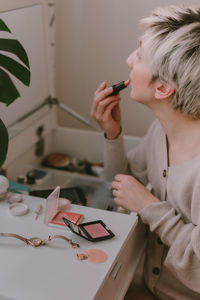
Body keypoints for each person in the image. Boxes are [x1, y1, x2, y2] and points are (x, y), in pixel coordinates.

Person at [90, 4, 200, 300]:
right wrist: (113, 135)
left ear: (163, 88)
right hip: (153, 288)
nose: (129, 59)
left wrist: (150, 206)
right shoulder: (161, 130)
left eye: (139, 56)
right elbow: (122, 186)